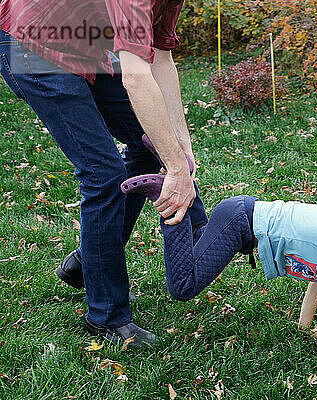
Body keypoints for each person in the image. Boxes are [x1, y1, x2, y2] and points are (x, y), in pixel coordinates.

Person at [0, 0, 200, 347]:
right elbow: (137, 77)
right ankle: (107, 318)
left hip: (83, 45)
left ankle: (88, 262)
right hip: (31, 45)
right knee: (103, 175)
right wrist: (177, 168)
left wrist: (181, 149)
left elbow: (161, 61)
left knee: (145, 145)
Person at [122, 167, 317, 349]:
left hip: (240, 218)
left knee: (197, 245)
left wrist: (304, 328)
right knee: (182, 285)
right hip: (240, 223)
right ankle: (168, 201)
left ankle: (182, 176)